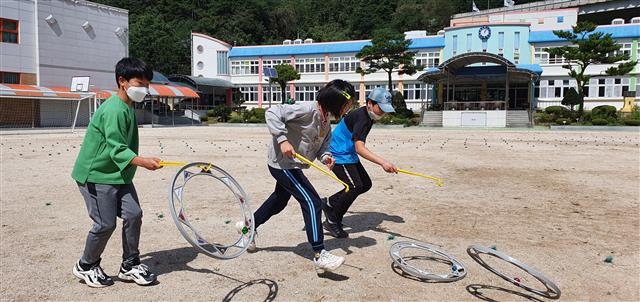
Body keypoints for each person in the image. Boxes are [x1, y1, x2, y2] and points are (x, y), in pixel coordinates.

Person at [238, 79, 354, 273]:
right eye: (346, 104)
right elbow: (272, 113)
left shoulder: (326, 120)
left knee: (279, 201)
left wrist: (326, 157)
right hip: (282, 164)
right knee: (312, 201)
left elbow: (322, 145)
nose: (348, 109)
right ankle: (320, 254)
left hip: (294, 165)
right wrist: (282, 140)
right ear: (335, 101)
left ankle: (248, 227)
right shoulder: (307, 109)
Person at [71, 57, 161, 288]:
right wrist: (142, 161)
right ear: (122, 81)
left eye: (147, 84)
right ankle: (86, 265)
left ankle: (129, 264)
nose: (144, 89)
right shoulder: (113, 109)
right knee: (104, 224)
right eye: (139, 83)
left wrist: (138, 161)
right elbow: (117, 147)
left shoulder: (128, 106)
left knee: (133, 214)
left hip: (119, 175)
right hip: (97, 175)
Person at [322, 87, 398, 238]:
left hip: (347, 153)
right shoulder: (363, 118)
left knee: (365, 184)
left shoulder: (367, 115)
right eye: (380, 109)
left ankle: (330, 203)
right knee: (354, 186)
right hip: (338, 155)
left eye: (385, 110)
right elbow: (360, 148)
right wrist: (383, 163)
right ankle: (332, 220)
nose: (382, 113)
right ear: (370, 103)